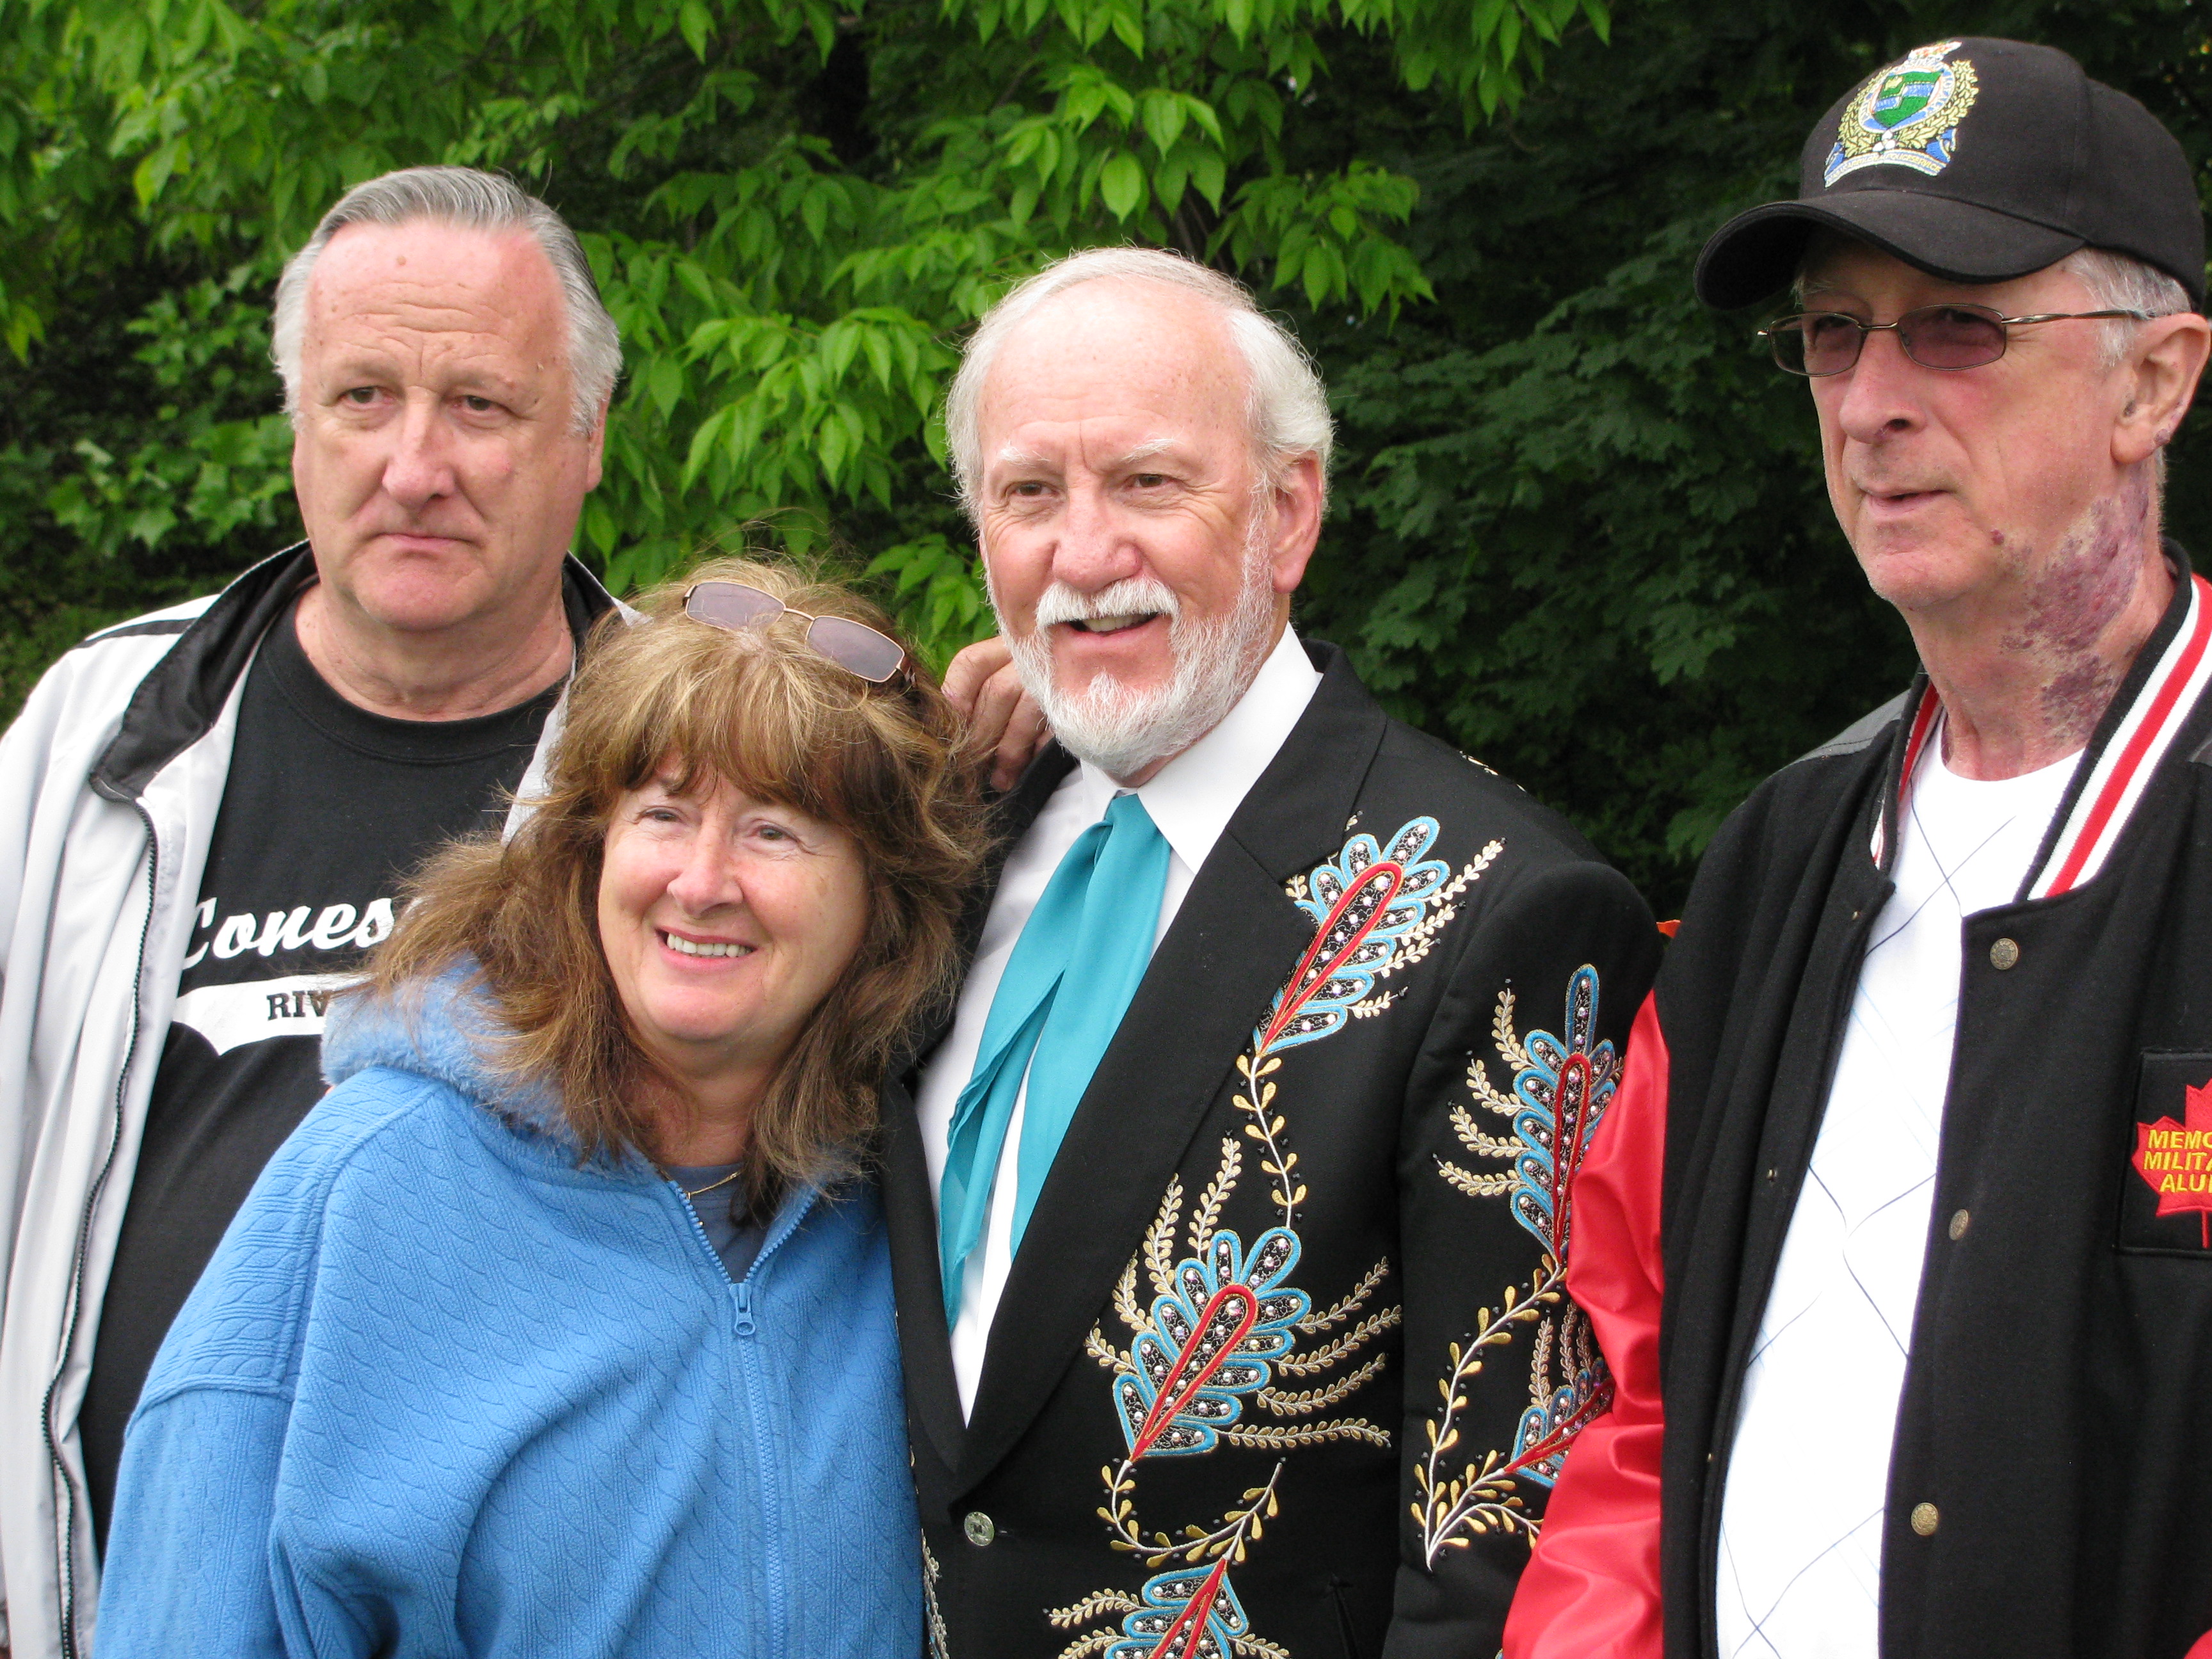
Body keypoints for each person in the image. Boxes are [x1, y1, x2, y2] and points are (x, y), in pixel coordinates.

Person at [0, 163, 1035, 1659]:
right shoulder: (93, 739)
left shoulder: (691, 732)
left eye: (479, 405)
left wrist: (1048, 749)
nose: (414, 464)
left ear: (588, 437)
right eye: (363, 398)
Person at [1504, 38, 2212, 1659]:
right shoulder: (1776, 859)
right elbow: (1638, 1400)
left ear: (2153, 383)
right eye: (1834, 334)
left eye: (1958, 326)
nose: (1872, 401)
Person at [877, 245, 1662, 1656]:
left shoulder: (1507, 912)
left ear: (1288, 513)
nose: (1083, 555)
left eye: (1148, 483)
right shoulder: (948, 841)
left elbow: (1509, 1533)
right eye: (1029, 493)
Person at [93, 558, 980, 1656]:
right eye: (664, 814)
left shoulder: (920, 1189)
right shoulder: (365, 1189)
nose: (702, 881)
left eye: (774, 830)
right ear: (587, 848)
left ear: (884, 899)